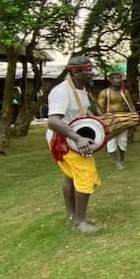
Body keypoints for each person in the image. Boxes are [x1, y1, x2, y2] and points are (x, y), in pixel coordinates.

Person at [45, 56, 101, 234]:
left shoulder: (81, 89)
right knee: (85, 174)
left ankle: (73, 216)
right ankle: (79, 222)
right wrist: (77, 138)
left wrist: (99, 121)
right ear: (76, 72)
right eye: (88, 70)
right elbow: (53, 121)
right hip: (63, 141)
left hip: (72, 138)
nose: (91, 73)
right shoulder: (62, 91)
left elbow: (83, 111)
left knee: (71, 177)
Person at [97, 72, 135, 169]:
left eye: (120, 78)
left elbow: (130, 105)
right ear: (110, 80)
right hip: (110, 120)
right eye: (115, 78)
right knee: (111, 142)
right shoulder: (104, 93)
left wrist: (133, 117)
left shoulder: (125, 92)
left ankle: (121, 159)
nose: (118, 80)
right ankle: (116, 162)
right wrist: (104, 120)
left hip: (123, 119)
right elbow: (99, 108)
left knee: (123, 141)